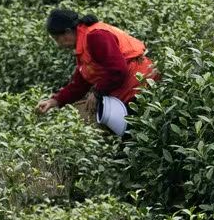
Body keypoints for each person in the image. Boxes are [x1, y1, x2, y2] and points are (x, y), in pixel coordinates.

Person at [36, 8, 155, 136]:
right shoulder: (83, 44)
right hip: (129, 88)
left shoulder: (96, 36)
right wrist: (54, 101)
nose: (59, 45)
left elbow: (118, 71)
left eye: (57, 39)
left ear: (68, 32)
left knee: (134, 136)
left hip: (140, 85)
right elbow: (80, 84)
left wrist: (97, 92)